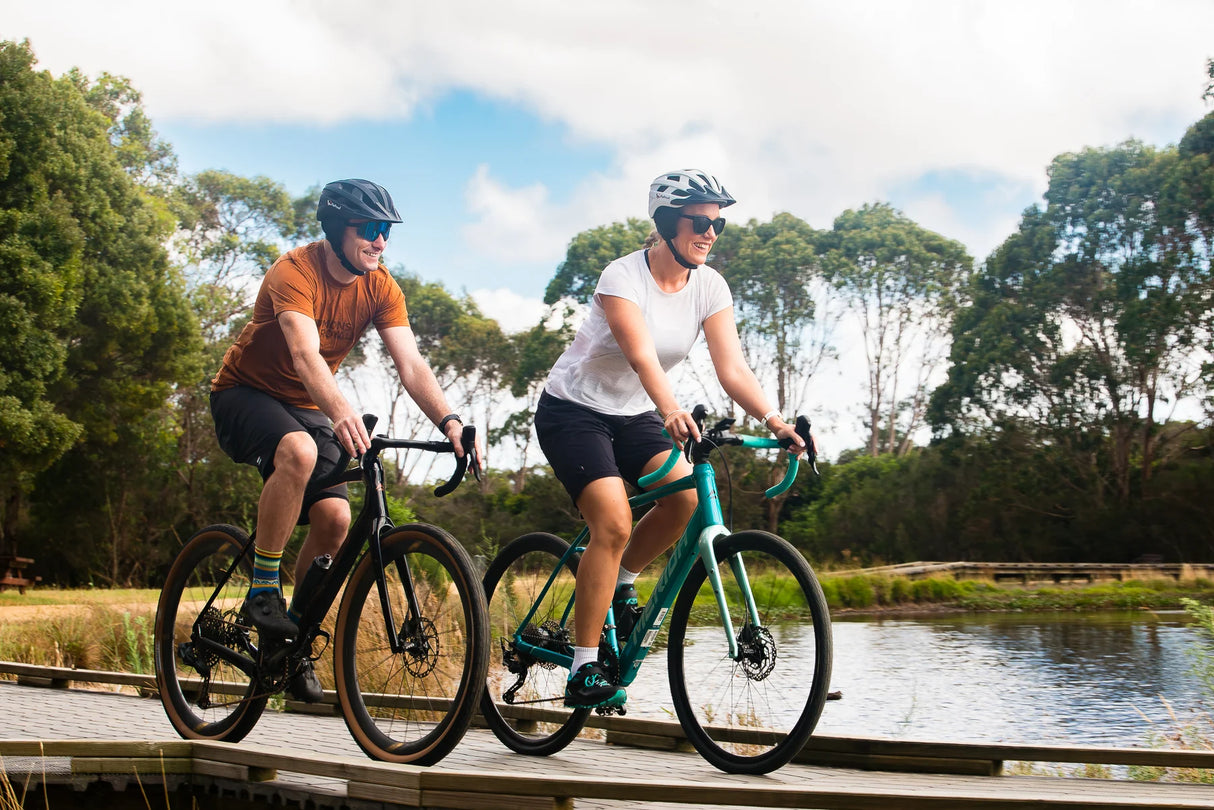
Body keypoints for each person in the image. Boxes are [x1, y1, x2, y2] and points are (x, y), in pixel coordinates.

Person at [535, 169, 809, 709]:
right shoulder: (623, 277)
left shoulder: (710, 286)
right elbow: (639, 355)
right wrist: (672, 409)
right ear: (665, 223)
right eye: (699, 222)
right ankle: (584, 668)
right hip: (574, 411)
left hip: (635, 414)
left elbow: (732, 369)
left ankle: (622, 581)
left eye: (718, 224)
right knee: (612, 522)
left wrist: (776, 422)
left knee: (683, 498)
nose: (710, 233)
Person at [209, 178, 482, 702]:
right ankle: (263, 588)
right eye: (371, 230)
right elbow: (305, 356)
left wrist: (449, 420)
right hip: (244, 393)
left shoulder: (381, 287)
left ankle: (286, 650)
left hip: (306, 403)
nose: (381, 242)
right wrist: (340, 412)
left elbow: (410, 364)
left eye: (387, 232)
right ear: (337, 230)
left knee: (335, 520)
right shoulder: (295, 271)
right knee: (300, 450)